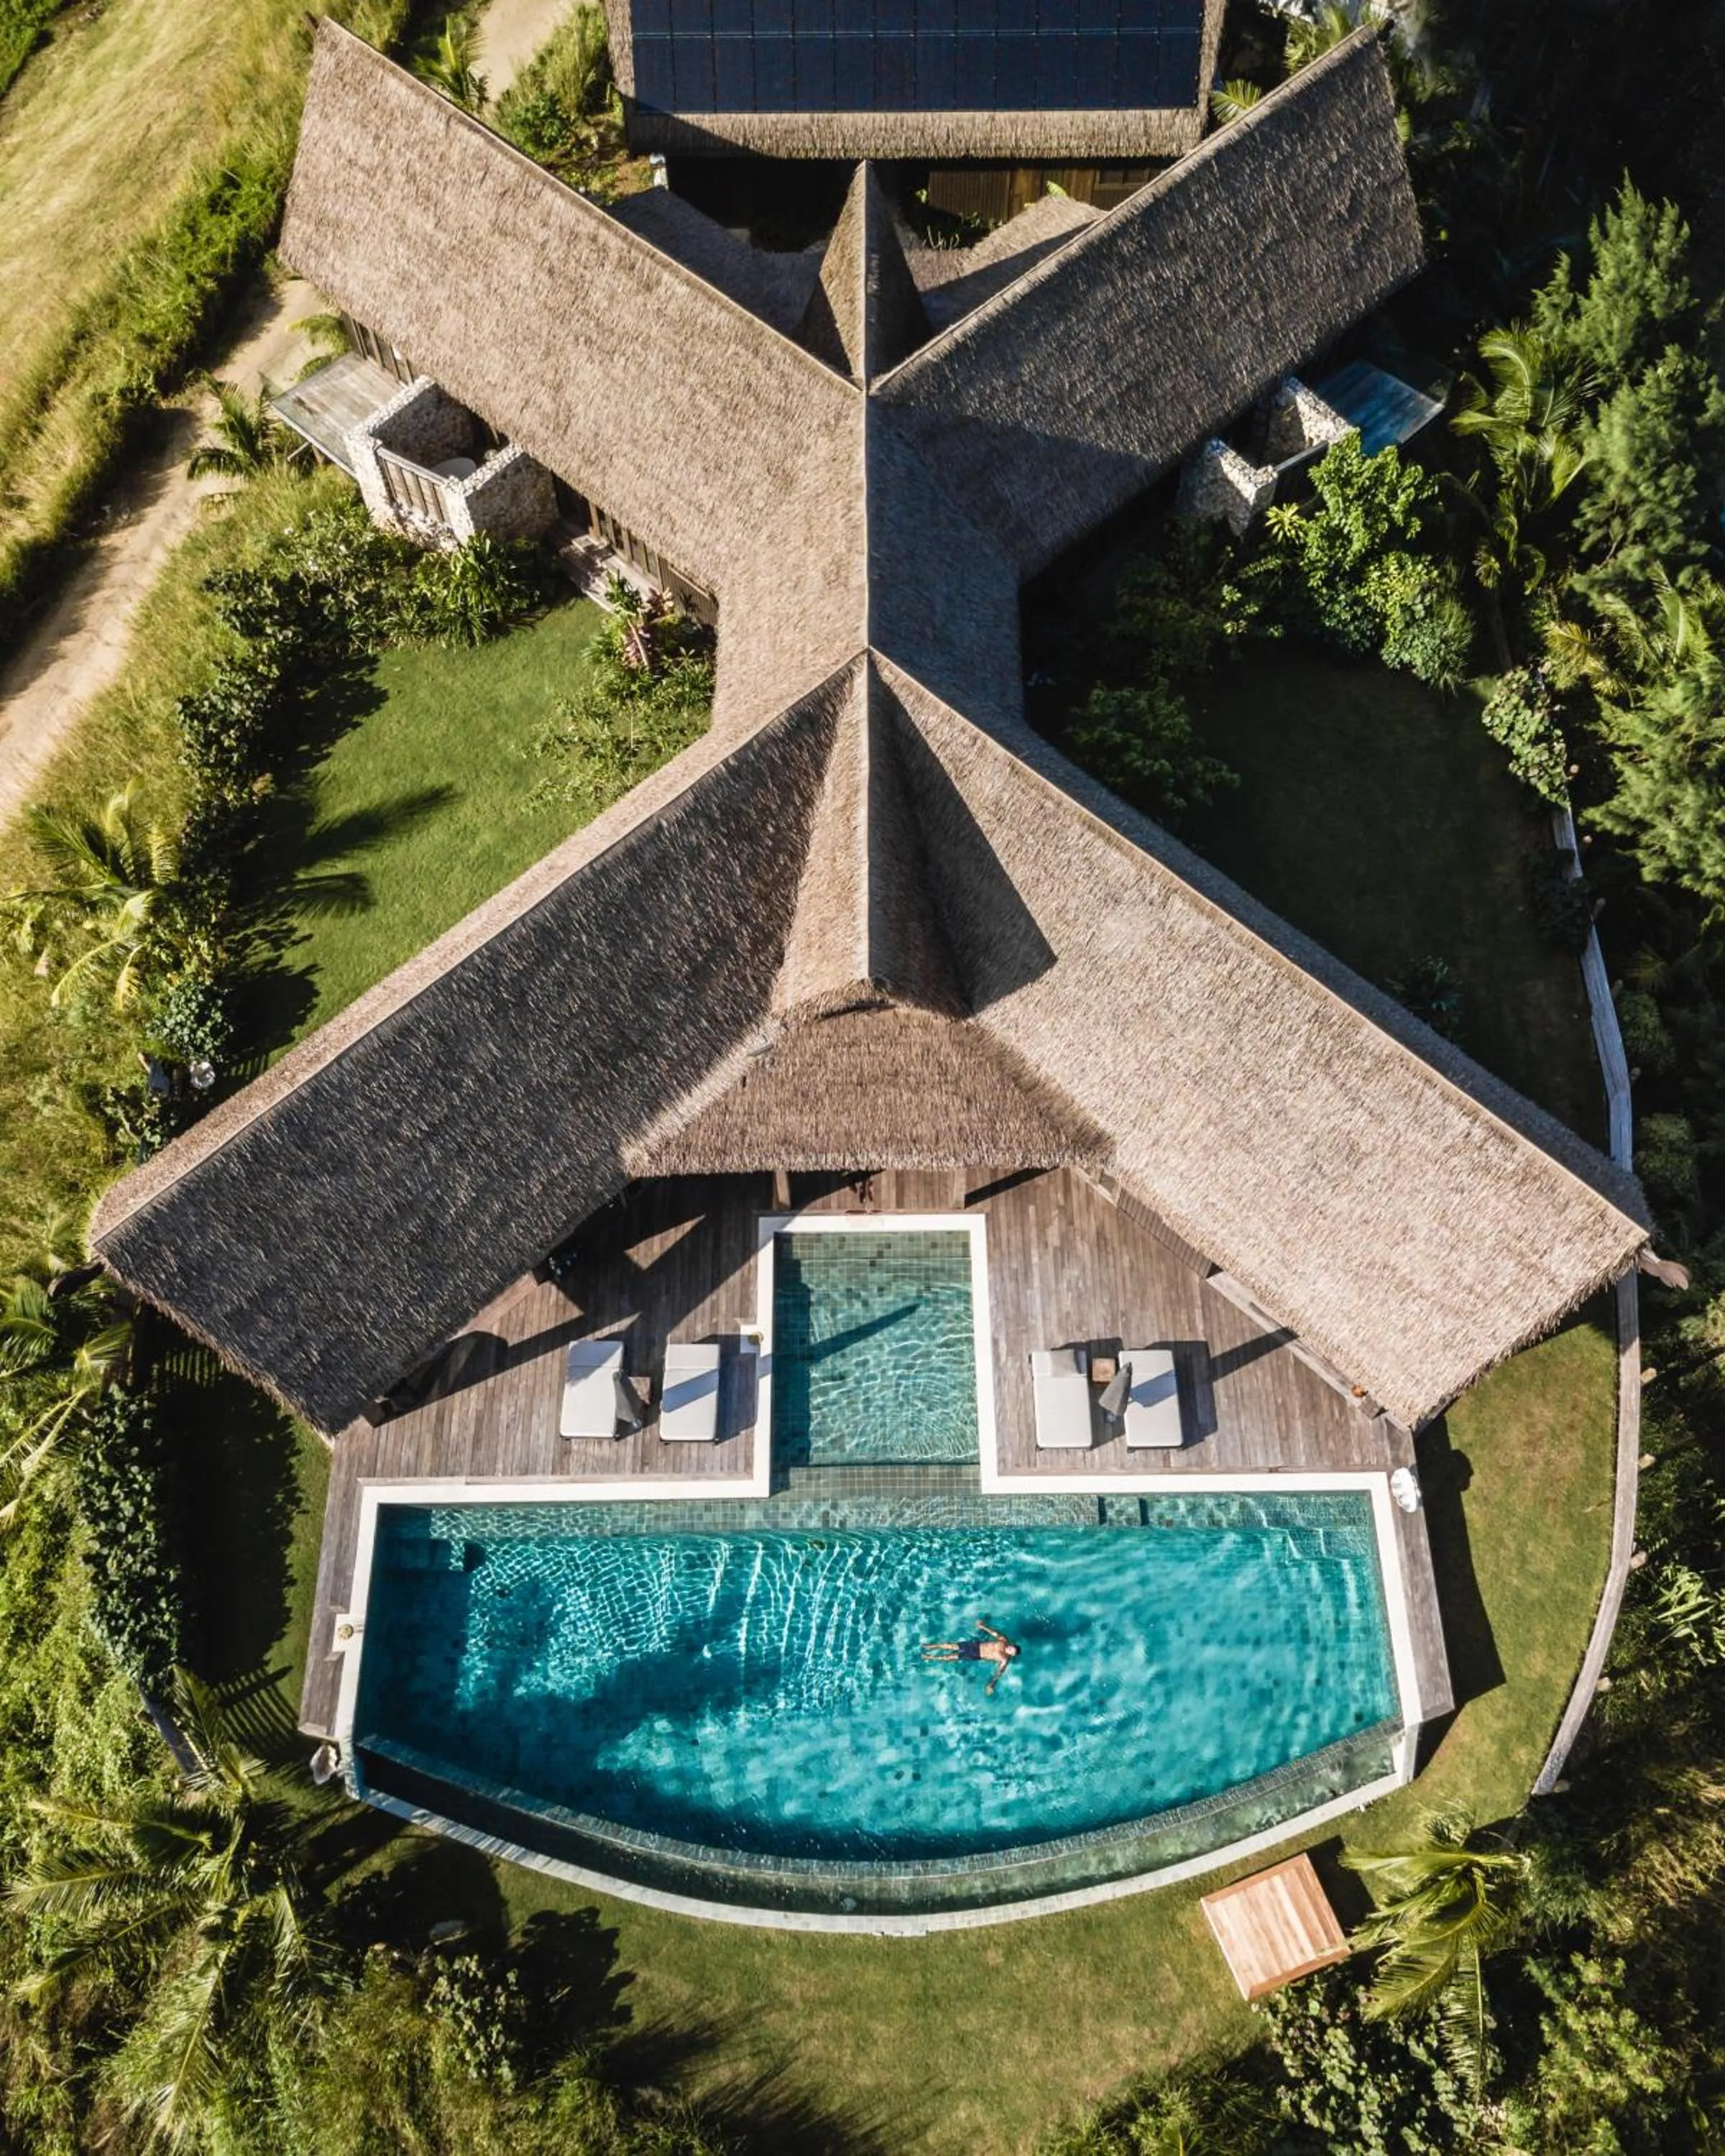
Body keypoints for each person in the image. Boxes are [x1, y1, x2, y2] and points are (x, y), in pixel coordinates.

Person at [922, 1621, 1021, 1697]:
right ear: (1012, 1645)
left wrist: (992, 1684)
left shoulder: (1005, 1659)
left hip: (976, 1655)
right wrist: (983, 1626)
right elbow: (994, 1633)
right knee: (952, 1646)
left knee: (953, 1657)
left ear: (1012, 1655)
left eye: (1011, 1652)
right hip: (975, 1646)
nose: (1009, 1649)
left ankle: (931, 1657)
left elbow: (999, 1673)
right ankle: (932, 1646)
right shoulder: (1004, 1641)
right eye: (1011, 1648)